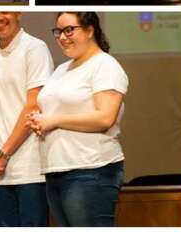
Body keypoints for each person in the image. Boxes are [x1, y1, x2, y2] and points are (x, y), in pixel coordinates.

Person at [27, 12, 128, 227]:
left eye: (69, 30)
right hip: (56, 169)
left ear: (90, 30)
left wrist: (53, 120)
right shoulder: (62, 68)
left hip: (90, 170)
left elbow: (105, 118)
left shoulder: (105, 65)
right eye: (58, 31)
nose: (62, 37)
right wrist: (39, 120)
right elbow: (54, 111)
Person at [0, 12, 54, 226]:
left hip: (29, 165)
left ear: (19, 12)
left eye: (4, 11)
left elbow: (34, 104)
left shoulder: (34, 48)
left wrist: (4, 153)